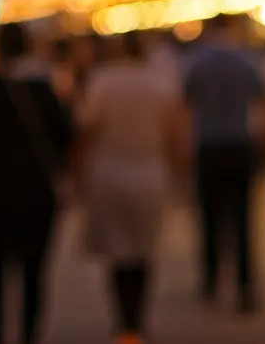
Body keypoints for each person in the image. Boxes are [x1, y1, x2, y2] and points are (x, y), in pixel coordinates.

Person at [0, 23, 75, 344]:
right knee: (33, 276)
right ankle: (29, 335)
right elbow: (65, 138)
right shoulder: (45, 91)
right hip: (35, 194)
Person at [79, 32, 190, 344]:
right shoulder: (161, 84)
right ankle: (137, 320)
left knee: (117, 251)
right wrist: (182, 177)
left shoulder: (103, 81)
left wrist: (79, 176)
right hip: (150, 174)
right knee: (143, 249)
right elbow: (175, 134)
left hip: (109, 173)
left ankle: (123, 321)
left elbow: (87, 131)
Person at [182, 14, 265, 312]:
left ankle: (210, 283)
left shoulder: (197, 62)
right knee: (243, 220)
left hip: (208, 146)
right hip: (240, 145)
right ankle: (245, 286)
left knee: (209, 218)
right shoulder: (247, 61)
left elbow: (184, 106)